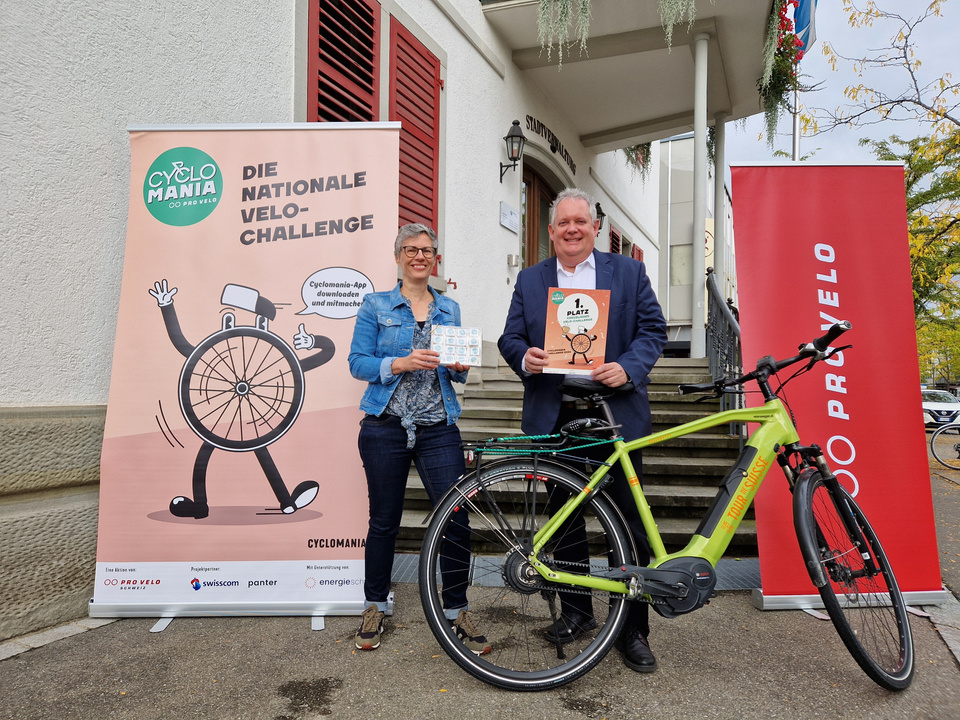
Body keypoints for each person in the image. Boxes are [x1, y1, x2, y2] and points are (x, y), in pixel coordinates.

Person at [498, 188, 667, 673]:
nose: (572, 229)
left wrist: (629, 367)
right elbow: (511, 336)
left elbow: (653, 331)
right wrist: (522, 357)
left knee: (630, 525)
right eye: (563, 223)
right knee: (564, 520)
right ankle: (576, 612)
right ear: (551, 232)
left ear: (595, 227)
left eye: (581, 222)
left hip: (615, 415)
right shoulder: (531, 280)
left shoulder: (629, 273)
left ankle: (633, 629)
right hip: (558, 416)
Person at [347, 223, 489, 655]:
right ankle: (375, 605)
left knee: (456, 520)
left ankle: (457, 610)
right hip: (385, 426)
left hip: (437, 427)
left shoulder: (449, 309)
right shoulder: (375, 305)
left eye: (427, 250)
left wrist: (460, 369)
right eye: (411, 250)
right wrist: (401, 362)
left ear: (435, 259)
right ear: (398, 257)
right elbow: (358, 363)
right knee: (384, 521)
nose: (419, 257)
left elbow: (454, 370)